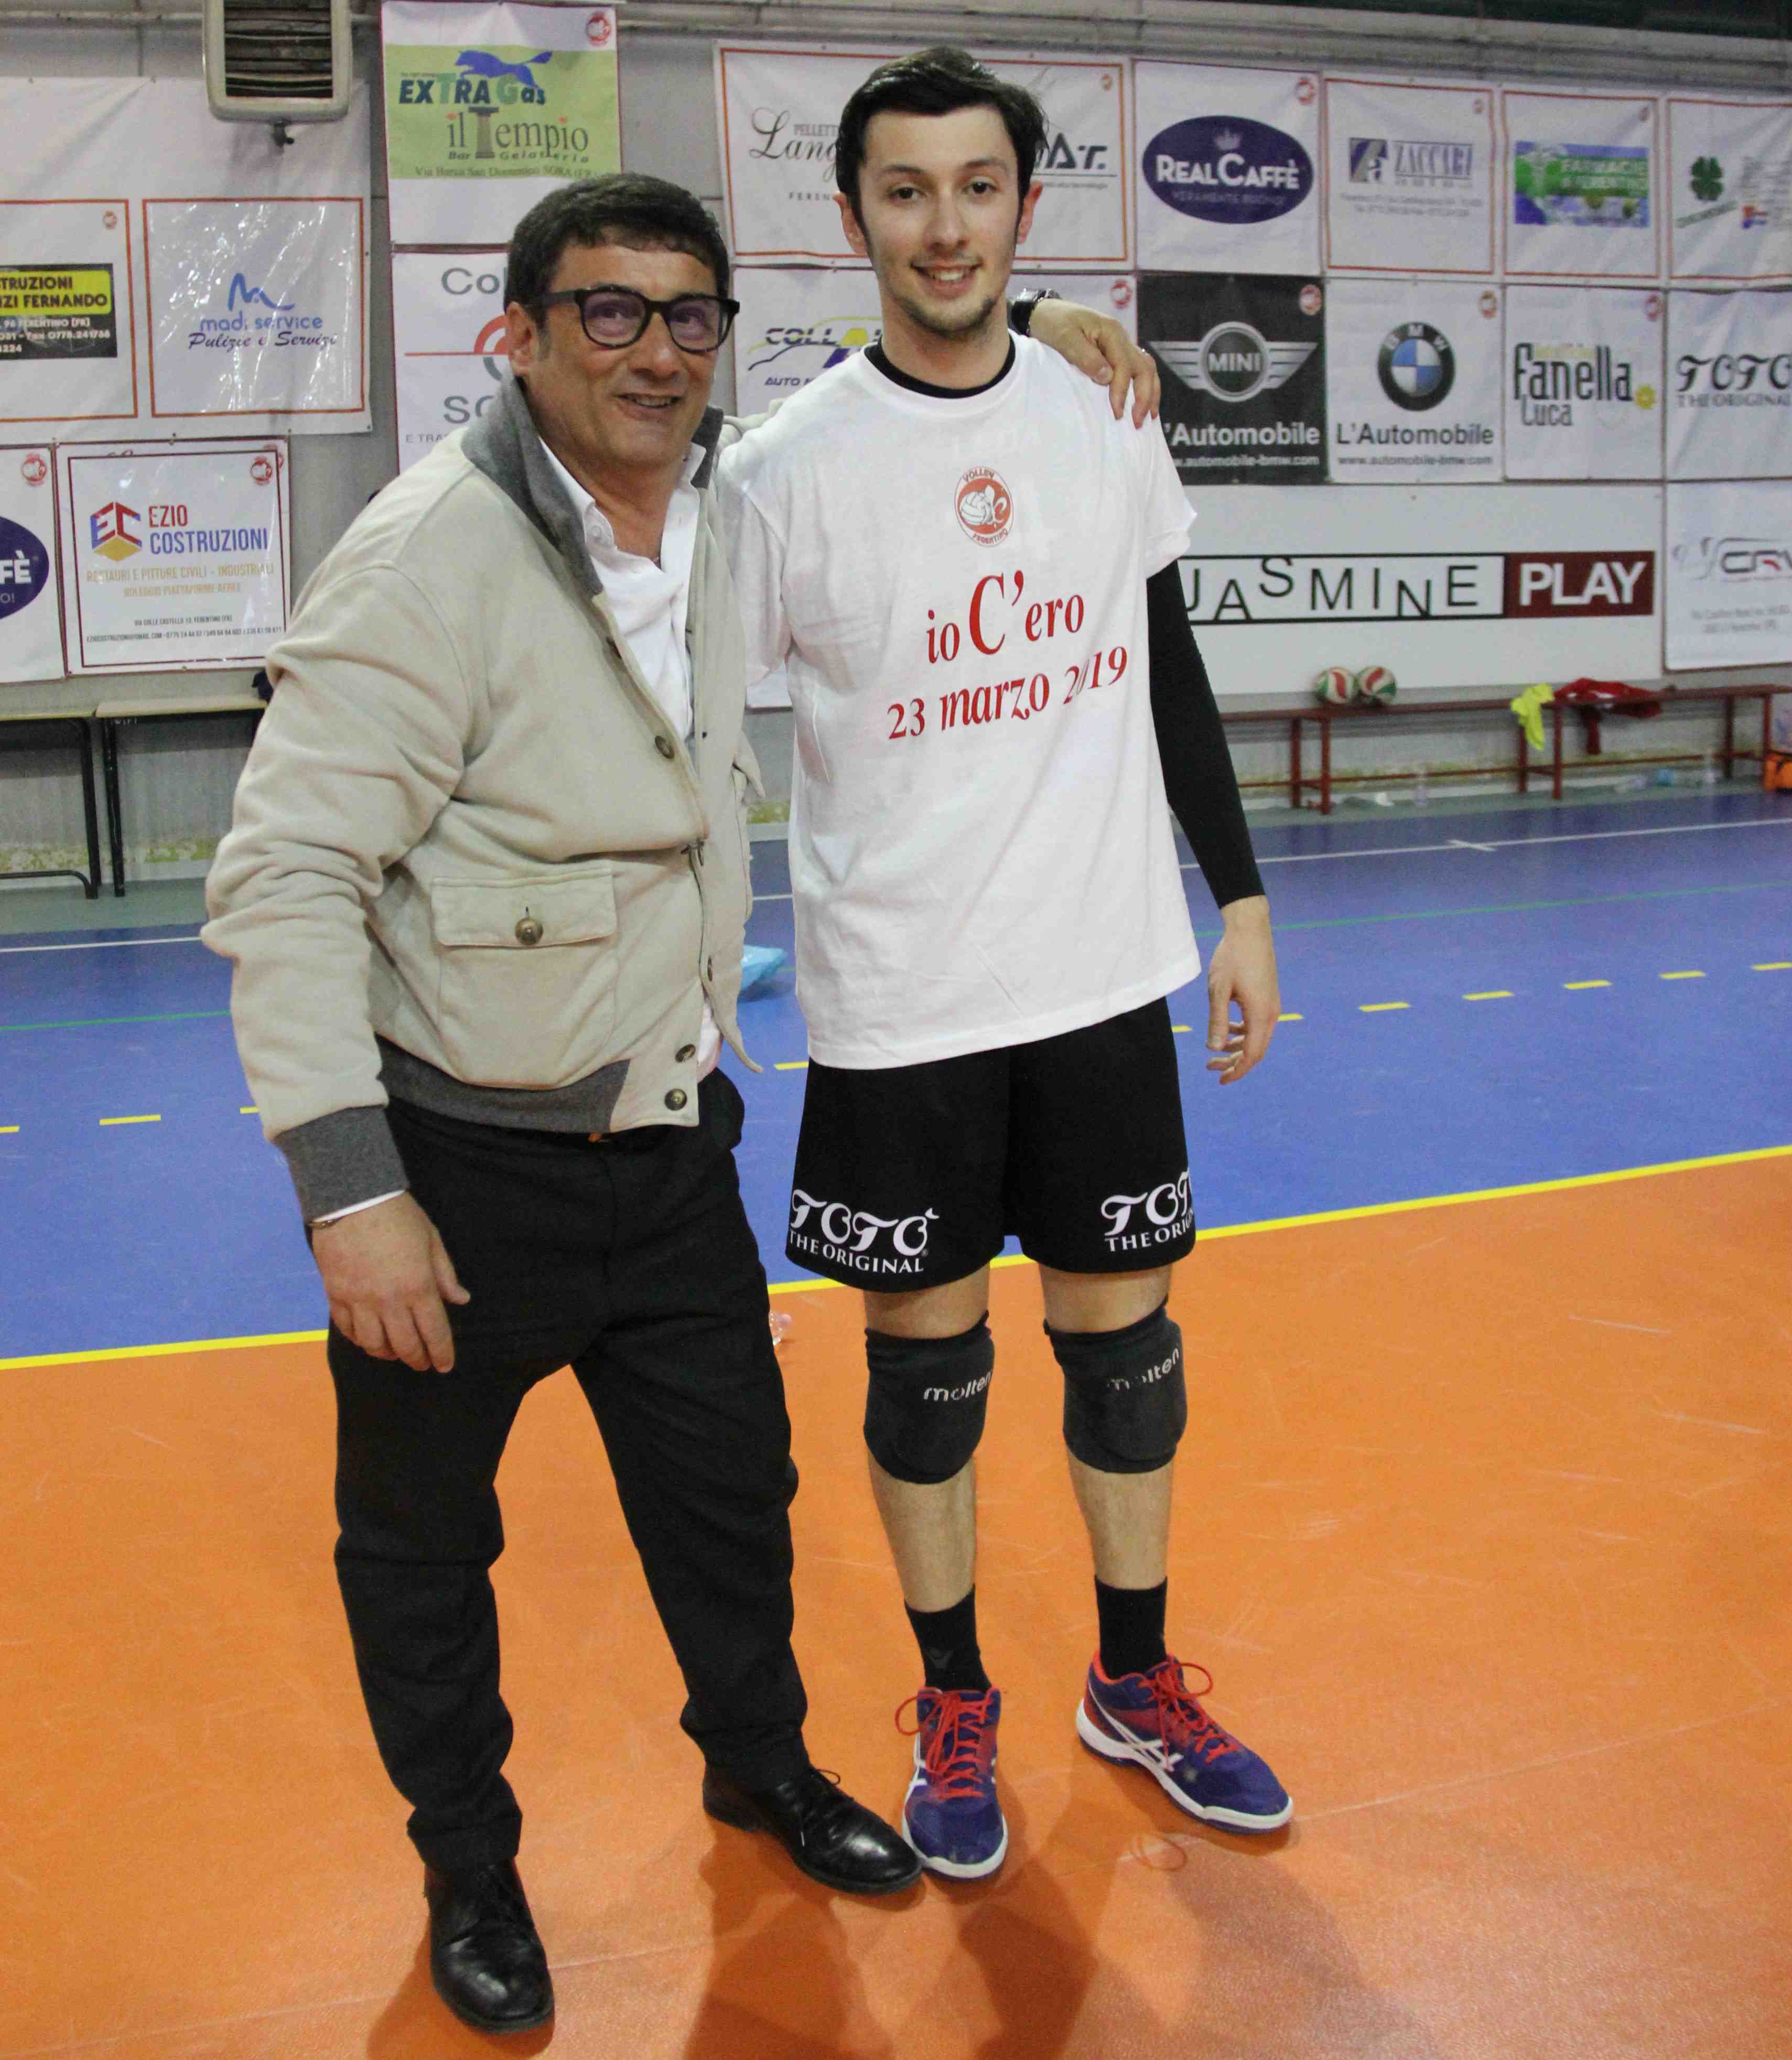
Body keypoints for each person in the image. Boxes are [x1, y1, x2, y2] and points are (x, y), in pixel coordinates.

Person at [203, 174, 934, 2038]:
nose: (656, 352)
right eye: (609, 312)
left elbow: (902, 417)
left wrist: (1063, 345)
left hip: (672, 1147)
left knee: (732, 1505)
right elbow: (287, 878)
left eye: (691, 316)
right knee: (423, 1557)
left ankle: (756, 1766)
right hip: (457, 1178)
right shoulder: (429, 554)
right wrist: (349, 1189)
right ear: (517, 335)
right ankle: (469, 1865)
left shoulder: (723, 505)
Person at [715, 48, 1292, 1884]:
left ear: (1024, 206)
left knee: (1127, 1353)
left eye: (978, 188)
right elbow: (697, 732)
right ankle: (953, 1695)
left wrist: (1241, 900)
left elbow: (1164, 656)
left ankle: (1131, 1679)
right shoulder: (784, 473)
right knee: (926, 1366)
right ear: (854, 216)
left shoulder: (1104, 412)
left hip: (1102, 972)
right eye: (905, 191)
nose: (944, 225)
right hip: (902, 1000)